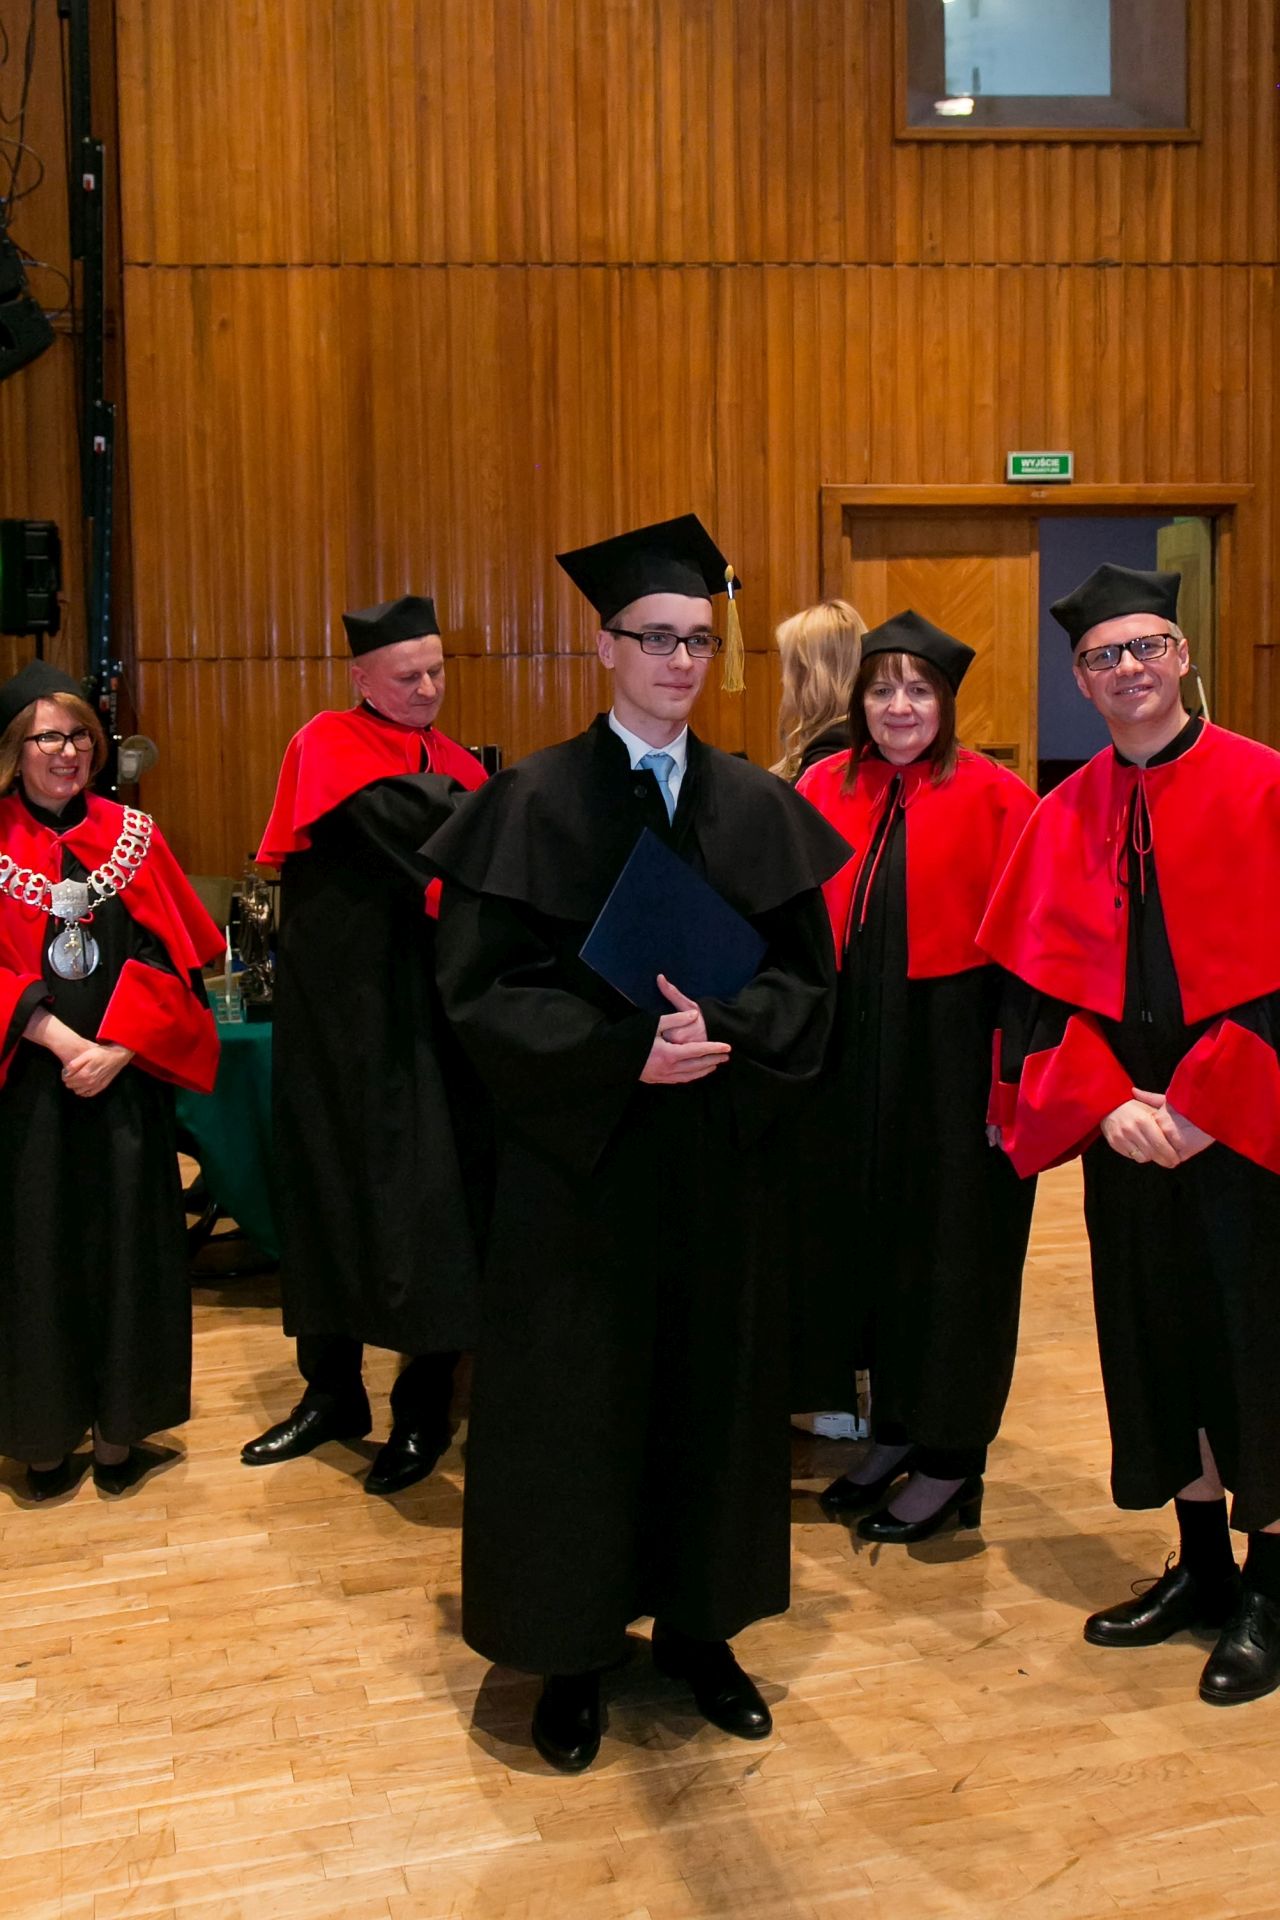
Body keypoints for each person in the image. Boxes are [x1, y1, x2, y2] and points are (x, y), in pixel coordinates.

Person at [426, 514, 851, 1773]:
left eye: (697, 642)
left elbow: (807, 986)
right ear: (603, 647)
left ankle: (701, 1632)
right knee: (576, 1408)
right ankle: (568, 1651)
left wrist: (720, 1029)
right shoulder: (527, 802)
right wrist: (622, 1054)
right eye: (654, 639)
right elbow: (478, 996)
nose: (677, 662)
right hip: (580, 1174)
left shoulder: (757, 807)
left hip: (718, 1165)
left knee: (711, 1400)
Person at [981, 563, 1280, 1707]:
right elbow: (1033, 997)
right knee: (1153, 1342)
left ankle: (1269, 1588)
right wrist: (1103, 1101)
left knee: (1253, 1346)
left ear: (1182, 655)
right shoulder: (1061, 815)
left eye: (1147, 645)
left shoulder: (1262, 786)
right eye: (1103, 656)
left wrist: (1208, 1104)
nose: (1128, 668)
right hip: (1127, 1133)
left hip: (1244, 1135)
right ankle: (1199, 1567)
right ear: (1077, 680)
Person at [795, 612, 1037, 1541]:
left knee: (954, 1259)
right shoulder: (824, 786)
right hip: (854, 1064)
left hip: (956, 1063)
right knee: (873, 1251)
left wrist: (1009, 1085)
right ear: (858, 701)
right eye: (881, 689)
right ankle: (894, 1430)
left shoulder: (1000, 799)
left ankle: (951, 1460)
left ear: (947, 702)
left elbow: (1034, 966)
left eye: (919, 689)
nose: (899, 707)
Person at [242, 595, 488, 1496]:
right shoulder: (328, 746)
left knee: (431, 1212)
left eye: (436, 671)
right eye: (406, 675)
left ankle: (423, 1409)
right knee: (326, 1193)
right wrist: (493, 816)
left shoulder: (460, 765)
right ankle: (331, 1395)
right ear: (361, 679)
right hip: (339, 1027)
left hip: (429, 1032)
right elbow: (419, 829)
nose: (426, 689)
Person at [0, 660, 221, 1500]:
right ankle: (42, 1439)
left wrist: (119, 1047)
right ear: (15, 751)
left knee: (131, 1252)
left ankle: (123, 1431)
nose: (69, 752)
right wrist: (62, 1043)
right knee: (36, 1255)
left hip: (124, 1085)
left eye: (81, 737)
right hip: (25, 1088)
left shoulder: (136, 837)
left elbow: (173, 957)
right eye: (48, 738)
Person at [769, 598, 867, 783]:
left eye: (789, 667)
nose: (783, 680)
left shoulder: (832, 750)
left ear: (811, 675)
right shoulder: (860, 733)